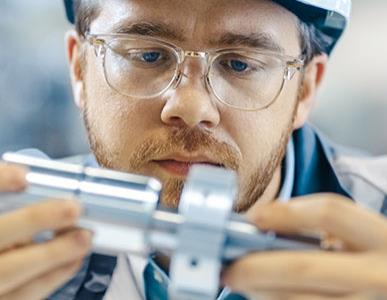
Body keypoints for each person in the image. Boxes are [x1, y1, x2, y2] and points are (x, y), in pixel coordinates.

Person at [1, 0, 387, 299]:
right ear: (79, 69)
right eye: (147, 55)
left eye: (239, 64)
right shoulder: (15, 229)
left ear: (306, 90)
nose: (190, 108)